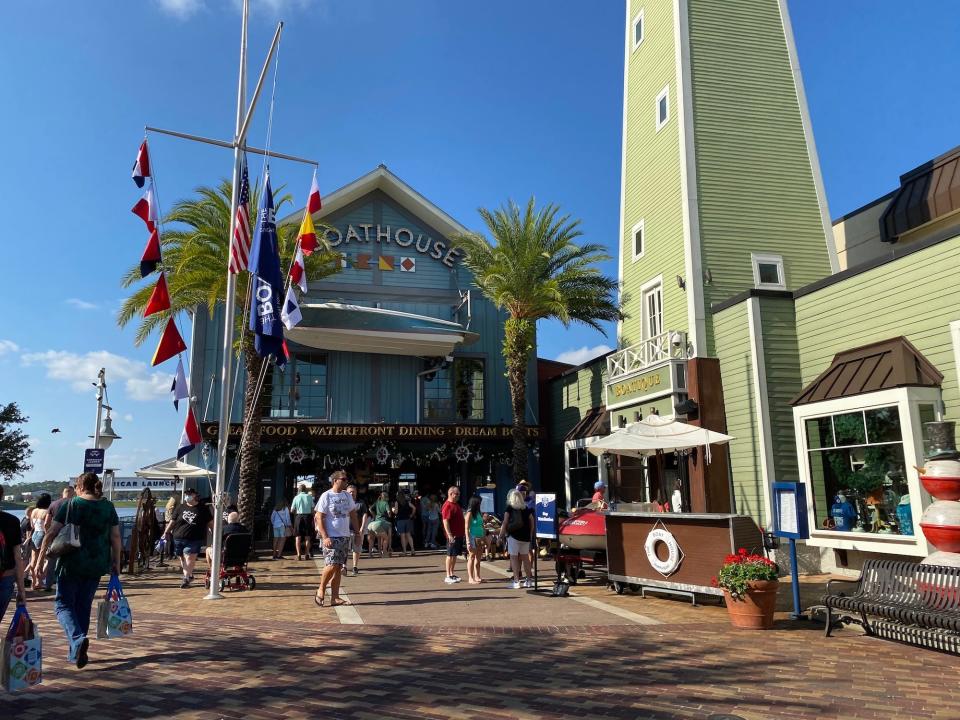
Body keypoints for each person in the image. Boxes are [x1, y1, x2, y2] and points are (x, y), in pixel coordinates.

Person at [37, 472, 121, 669]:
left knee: (63, 605)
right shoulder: (107, 506)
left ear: (80, 486)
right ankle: (76, 653)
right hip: (97, 563)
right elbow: (116, 536)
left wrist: (41, 559)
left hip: (71, 562)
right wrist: (116, 561)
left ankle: (77, 640)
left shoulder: (71, 504)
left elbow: (52, 532)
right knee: (83, 606)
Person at [314, 470, 358, 607]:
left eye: (346, 479)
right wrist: (325, 536)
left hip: (344, 536)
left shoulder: (347, 496)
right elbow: (318, 517)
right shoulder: (326, 496)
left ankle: (335, 597)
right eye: (343, 479)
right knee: (331, 565)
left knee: (338, 567)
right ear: (335, 481)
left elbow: (353, 514)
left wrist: (357, 533)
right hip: (331, 536)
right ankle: (321, 589)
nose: (346, 481)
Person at [163, 487, 213, 588]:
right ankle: (189, 575)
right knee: (182, 558)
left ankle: (185, 579)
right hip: (178, 537)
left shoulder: (203, 509)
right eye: (186, 494)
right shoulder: (180, 507)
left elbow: (210, 524)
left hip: (195, 539)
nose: (187, 496)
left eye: (189, 494)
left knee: (189, 557)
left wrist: (215, 535)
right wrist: (166, 532)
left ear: (195, 495)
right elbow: (172, 521)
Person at [0, 483, 27, 624]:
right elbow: (18, 557)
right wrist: (21, 590)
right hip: (5, 577)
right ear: (2, 496)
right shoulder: (12, 521)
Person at [42, 486, 76, 591]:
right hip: (70, 536)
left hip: (55, 536)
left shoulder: (53, 504)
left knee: (52, 560)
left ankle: (48, 584)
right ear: (72, 493)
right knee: (68, 561)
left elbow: (46, 523)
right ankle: (62, 584)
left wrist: (48, 533)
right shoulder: (74, 503)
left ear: (63, 493)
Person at [500, 489, 534, 589]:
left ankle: (516, 581)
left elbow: (505, 522)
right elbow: (532, 521)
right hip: (525, 537)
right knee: (525, 558)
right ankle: (528, 580)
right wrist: (530, 534)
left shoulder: (509, 508)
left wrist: (501, 535)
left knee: (514, 558)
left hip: (513, 537)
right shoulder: (526, 508)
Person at [441, 486, 465, 584]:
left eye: (459, 494)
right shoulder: (447, 505)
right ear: (451, 494)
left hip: (458, 534)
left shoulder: (455, 504)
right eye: (457, 494)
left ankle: (451, 573)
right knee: (450, 555)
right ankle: (448, 575)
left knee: (454, 555)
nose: (458, 496)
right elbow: (445, 521)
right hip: (452, 535)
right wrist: (449, 534)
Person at [28, 493, 52, 592]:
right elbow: (47, 525)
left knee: (33, 560)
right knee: (44, 560)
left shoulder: (34, 511)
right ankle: (39, 582)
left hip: (35, 534)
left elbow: (32, 525)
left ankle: (33, 583)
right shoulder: (46, 512)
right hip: (43, 534)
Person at [347, 484, 368, 576]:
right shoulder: (344, 503)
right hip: (345, 530)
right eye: (350, 492)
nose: (352, 493)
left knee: (357, 549)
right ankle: (344, 565)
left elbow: (365, 515)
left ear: (356, 492)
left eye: (353, 491)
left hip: (358, 530)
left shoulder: (361, 503)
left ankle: (355, 566)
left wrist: (362, 527)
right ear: (347, 493)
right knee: (344, 549)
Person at [290, 484, 316, 560]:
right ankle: (307, 554)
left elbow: (292, 510)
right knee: (307, 537)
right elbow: (312, 509)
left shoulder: (296, 497)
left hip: (298, 517)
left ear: (299, 490)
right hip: (307, 517)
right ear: (305, 490)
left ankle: (298, 555)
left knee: (298, 537)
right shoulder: (309, 497)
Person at [464, 495, 485, 584]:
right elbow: (466, 528)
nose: (480, 504)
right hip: (472, 537)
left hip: (480, 537)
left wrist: (484, 535)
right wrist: (468, 541)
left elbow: (481, 525)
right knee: (472, 557)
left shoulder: (479, 512)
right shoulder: (469, 513)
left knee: (478, 557)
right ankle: (470, 577)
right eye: (479, 502)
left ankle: (477, 575)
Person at [367, 491, 392, 558]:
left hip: (372, 524)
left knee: (375, 539)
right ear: (386, 497)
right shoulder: (386, 503)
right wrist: (390, 514)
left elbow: (370, 509)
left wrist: (374, 515)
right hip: (381, 523)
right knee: (386, 538)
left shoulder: (377, 502)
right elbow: (389, 512)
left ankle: (370, 554)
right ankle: (384, 553)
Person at [393, 490, 416, 556]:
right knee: (409, 535)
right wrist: (411, 514)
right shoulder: (407, 501)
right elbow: (414, 508)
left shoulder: (397, 502)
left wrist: (393, 510)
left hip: (400, 520)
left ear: (397, 496)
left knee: (402, 536)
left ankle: (405, 552)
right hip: (408, 519)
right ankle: (412, 550)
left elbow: (396, 512)